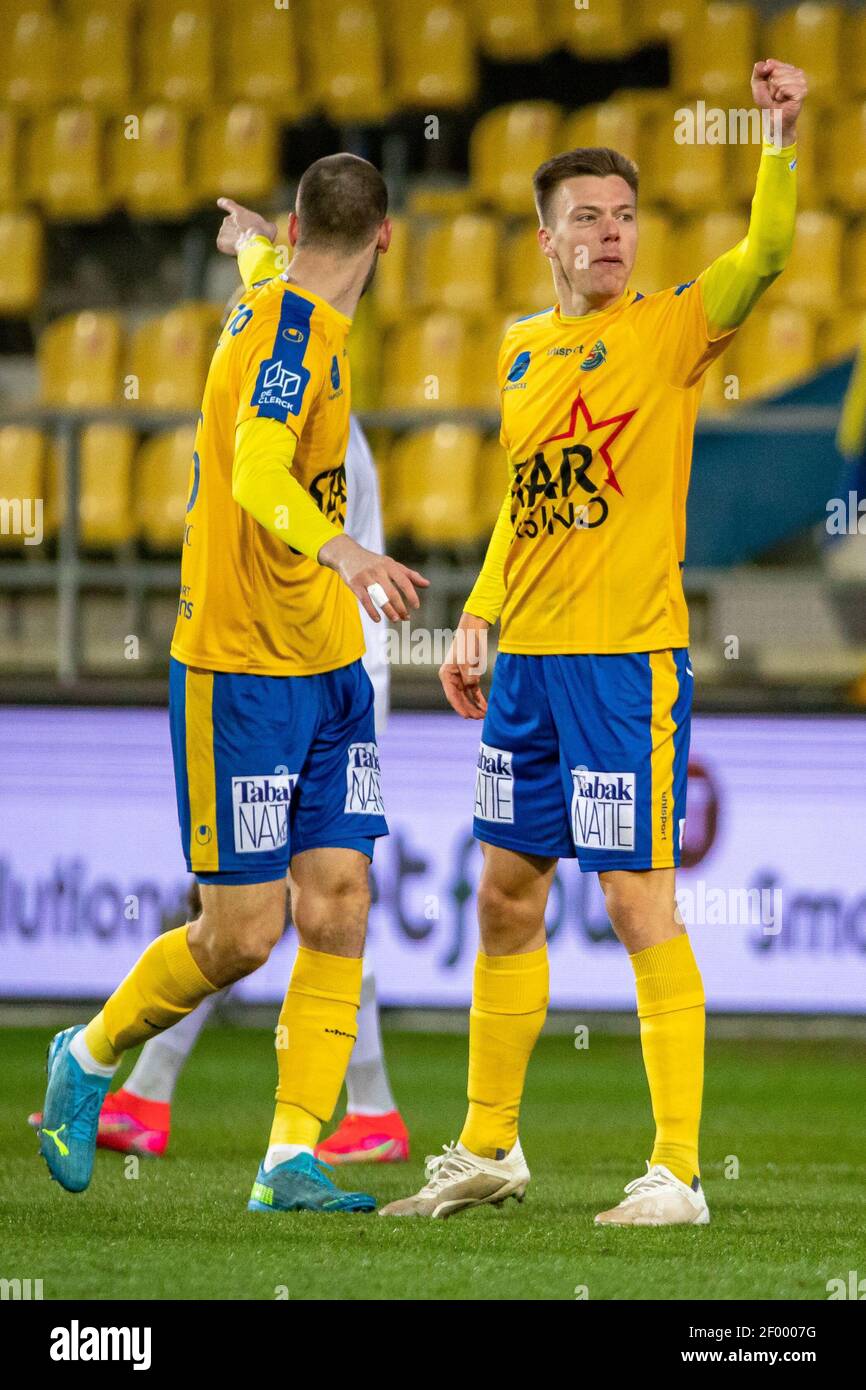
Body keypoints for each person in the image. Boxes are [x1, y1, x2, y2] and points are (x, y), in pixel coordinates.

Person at [382, 60, 805, 1226]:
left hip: (625, 667)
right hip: (527, 669)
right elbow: (526, 503)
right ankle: (486, 1149)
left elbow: (765, 255)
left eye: (623, 218)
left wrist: (777, 137)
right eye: (589, 219)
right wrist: (478, 610)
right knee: (505, 896)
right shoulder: (519, 354)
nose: (611, 236)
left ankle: (675, 1172)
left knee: (636, 904)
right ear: (545, 239)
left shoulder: (670, 331)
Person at [38, 154, 427, 1215]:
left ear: (300, 232)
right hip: (240, 668)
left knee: (340, 903)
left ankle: (288, 1157)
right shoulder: (292, 337)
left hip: (330, 668)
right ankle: (89, 1050)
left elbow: (269, 275)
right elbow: (259, 470)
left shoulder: (272, 296)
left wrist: (256, 240)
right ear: (387, 238)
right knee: (241, 935)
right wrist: (346, 552)